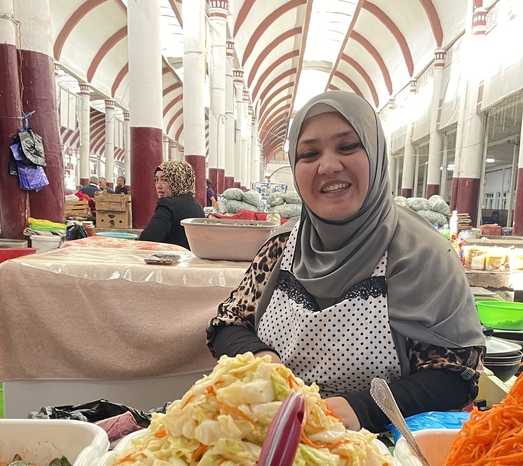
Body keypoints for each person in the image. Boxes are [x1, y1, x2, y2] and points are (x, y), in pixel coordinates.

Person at [207, 91, 485, 433]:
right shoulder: (281, 245)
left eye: (348, 146)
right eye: (309, 153)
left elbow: (454, 376)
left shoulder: (421, 255)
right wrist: (263, 361)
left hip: (376, 450)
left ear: (376, 154)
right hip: (271, 433)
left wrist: (359, 409)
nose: (328, 165)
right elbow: (227, 324)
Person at [139, 160, 205, 248]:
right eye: (156, 180)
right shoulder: (198, 207)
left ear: (178, 180)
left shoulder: (168, 204)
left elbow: (147, 239)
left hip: (171, 259)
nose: (158, 185)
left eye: (165, 180)